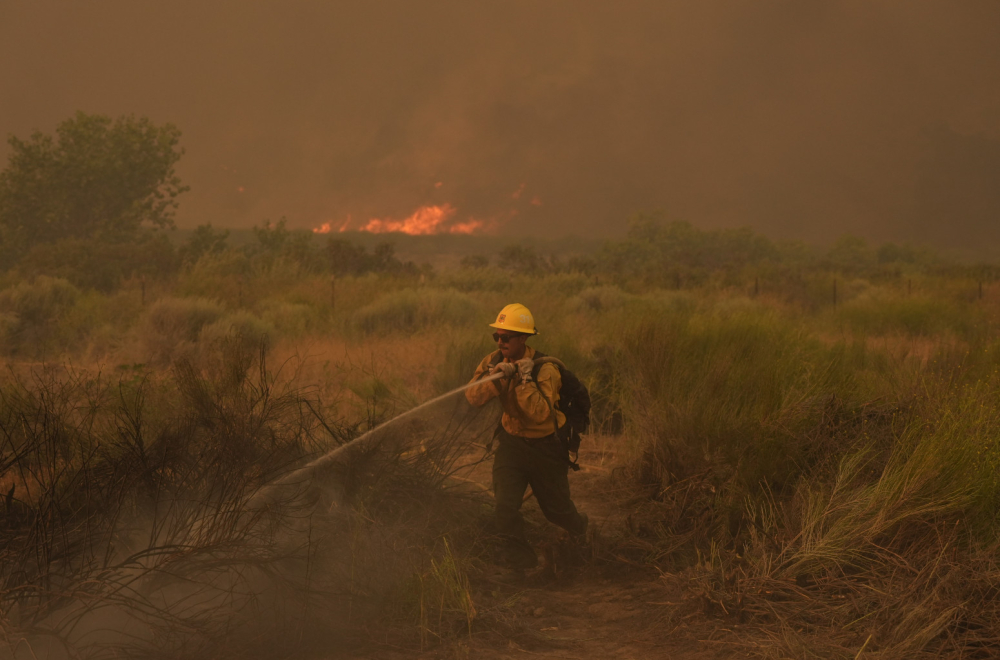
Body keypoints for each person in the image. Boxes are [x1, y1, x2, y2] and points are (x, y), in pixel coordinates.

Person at [465, 303, 588, 569]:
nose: (500, 342)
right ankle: (520, 562)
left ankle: (583, 534)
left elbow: (540, 414)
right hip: (512, 445)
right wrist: (496, 377)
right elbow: (473, 397)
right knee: (505, 508)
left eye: (506, 337)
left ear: (523, 338)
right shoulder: (493, 361)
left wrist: (523, 378)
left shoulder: (546, 370)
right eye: (496, 336)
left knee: (558, 512)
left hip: (546, 449)